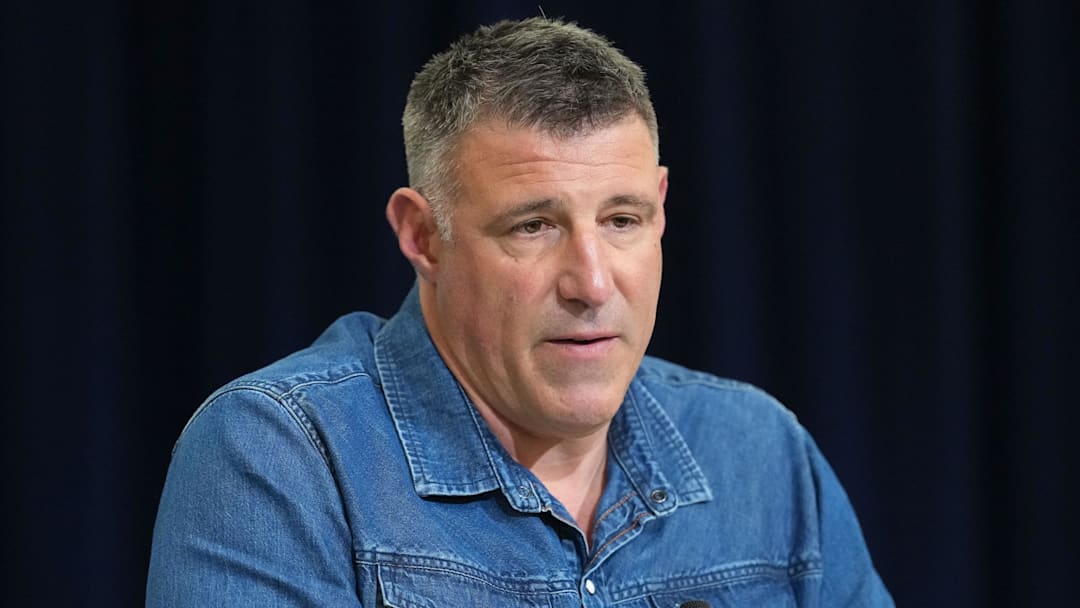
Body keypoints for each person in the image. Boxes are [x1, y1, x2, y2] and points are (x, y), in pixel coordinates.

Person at [147, 17, 893, 607]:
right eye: (533, 226)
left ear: (662, 209)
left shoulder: (761, 452)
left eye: (622, 220)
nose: (592, 283)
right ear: (421, 234)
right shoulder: (285, 455)